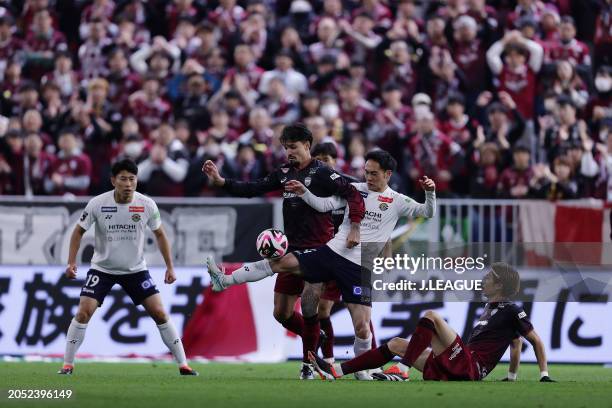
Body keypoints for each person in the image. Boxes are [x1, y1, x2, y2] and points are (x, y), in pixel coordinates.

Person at [206, 149, 435, 379]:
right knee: (281, 263)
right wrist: (305, 192)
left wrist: (430, 193)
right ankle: (225, 279)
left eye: (374, 174)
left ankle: (363, 369)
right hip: (331, 253)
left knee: (362, 327)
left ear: (388, 174)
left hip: (359, 268)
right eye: (366, 172)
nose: (369, 178)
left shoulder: (397, 201)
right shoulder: (354, 190)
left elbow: (427, 211)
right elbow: (324, 205)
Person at [202, 123, 365, 379]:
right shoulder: (284, 172)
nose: (289, 152)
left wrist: (355, 227)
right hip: (293, 247)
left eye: (293, 147)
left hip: (320, 250)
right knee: (282, 313)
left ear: (307, 146)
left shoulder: (322, 173)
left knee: (310, 308)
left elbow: (353, 193)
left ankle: (308, 365)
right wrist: (221, 182)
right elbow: (253, 188)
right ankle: (315, 337)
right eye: (285, 147)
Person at [58, 159, 197, 376]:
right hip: (102, 269)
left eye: (132, 179)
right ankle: (67, 364)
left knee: (160, 313)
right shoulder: (97, 203)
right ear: (113, 180)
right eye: (123, 179)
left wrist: (170, 267)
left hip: (135, 270)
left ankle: (184, 364)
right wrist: (71, 262)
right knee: (84, 312)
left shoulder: (146, 204)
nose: (128, 184)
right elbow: (78, 231)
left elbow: (160, 234)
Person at [309, 262, 554, 383]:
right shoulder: (491, 309)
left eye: (490, 277)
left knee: (431, 316)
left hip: (471, 366)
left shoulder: (512, 310)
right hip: (457, 365)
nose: (484, 279)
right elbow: (514, 344)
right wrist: (511, 377)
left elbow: (533, 341)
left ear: (500, 284)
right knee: (395, 343)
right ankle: (335, 371)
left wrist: (543, 374)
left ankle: (402, 371)